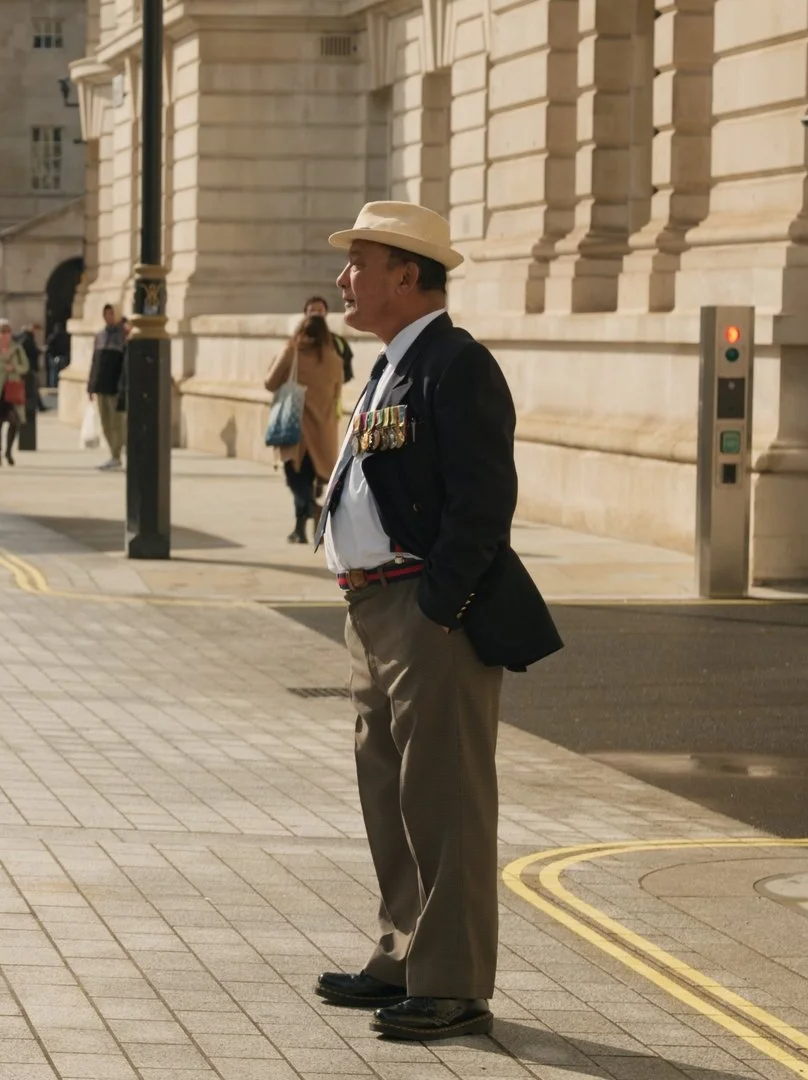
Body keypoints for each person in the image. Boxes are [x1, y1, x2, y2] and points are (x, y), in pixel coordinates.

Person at [311, 201, 561, 1041]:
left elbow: (484, 502)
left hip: (424, 608)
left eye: (360, 262)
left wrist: (438, 604)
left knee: (445, 796)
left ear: (407, 275)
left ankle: (453, 982)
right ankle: (403, 950)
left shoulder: (457, 365)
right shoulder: (388, 365)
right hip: (371, 604)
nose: (344, 278)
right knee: (388, 787)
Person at [265, 299, 345, 543]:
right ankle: (300, 530)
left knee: (294, 478)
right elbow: (337, 393)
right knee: (308, 480)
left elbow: (269, 382)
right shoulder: (334, 359)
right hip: (323, 431)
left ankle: (313, 509)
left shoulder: (293, 352)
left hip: (295, 427)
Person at [0, 319, 30, 466]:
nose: (5, 334)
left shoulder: (17, 349)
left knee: (14, 422)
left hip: (12, 391)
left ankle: (8, 452)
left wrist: (14, 367)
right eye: (2, 331)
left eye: (7, 331)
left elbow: (25, 367)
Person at [88, 304, 128, 470]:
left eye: (111, 313)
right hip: (101, 385)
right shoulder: (100, 335)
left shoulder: (124, 335)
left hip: (115, 387)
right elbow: (95, 362)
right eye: (106, 313)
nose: (108, 316)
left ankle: (117, 454)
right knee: (105, 422)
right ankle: (113, 454)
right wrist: (91, 386)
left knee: (117, 423)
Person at [46, 323, 71, 388]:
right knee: (61, 371)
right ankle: (61, 385)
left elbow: (49, 347)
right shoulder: (65, 337)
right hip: (62, 356)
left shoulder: (52, 337)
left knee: (53, 373)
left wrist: (51, 355)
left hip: (54, 357)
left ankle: (53, 386)